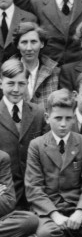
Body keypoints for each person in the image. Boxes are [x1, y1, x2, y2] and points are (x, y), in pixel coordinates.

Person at [22, 89, 82, 237]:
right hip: (50, 209)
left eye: (68, 118)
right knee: (47, 235)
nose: (63, 124)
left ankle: (67, 236)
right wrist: (55, 215)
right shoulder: (37, 145)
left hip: (78, 206)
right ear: (47, 118)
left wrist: (80, 212)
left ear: (74, 118)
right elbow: (34, 188)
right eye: (58, 118)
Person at [0, 59, 47, 203]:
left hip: (34, 193)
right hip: (5, 193)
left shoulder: (38, 113)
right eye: (10, 83)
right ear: (1, 83)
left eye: (21, 84)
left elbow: (46, 154)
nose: (16, 89)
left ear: (27, 84)